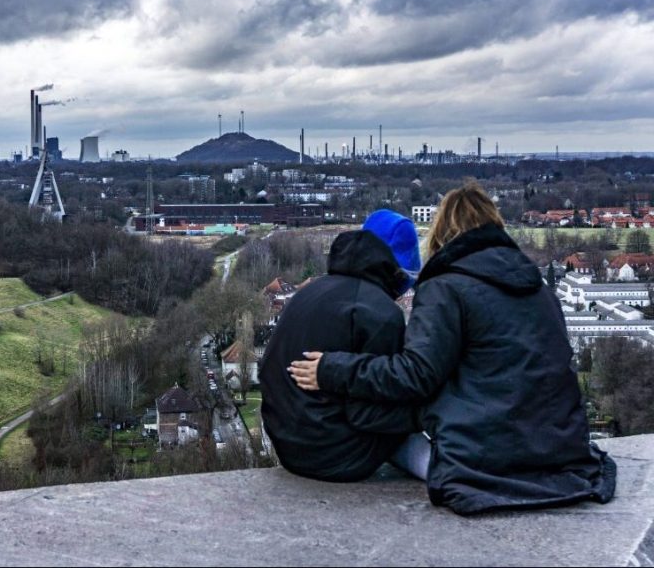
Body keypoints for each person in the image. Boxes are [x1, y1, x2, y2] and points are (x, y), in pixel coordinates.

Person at [289, 182, 616, 515]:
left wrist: (333, 370)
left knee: (374, 425)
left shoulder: (445, 287)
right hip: (559, 450)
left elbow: (415, 375)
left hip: (485, 460)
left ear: (442, 232)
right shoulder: (539, 287)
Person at [260, 209, 421, 482]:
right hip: (340, 457)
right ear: (402, 271)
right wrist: (425, 415)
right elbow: (369, 414)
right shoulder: (381, 314)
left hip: (288, 449)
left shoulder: (309, 292)